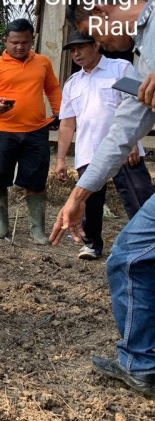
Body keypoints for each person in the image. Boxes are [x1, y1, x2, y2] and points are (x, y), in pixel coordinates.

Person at [50, 0, 155, 397]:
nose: (99, 44)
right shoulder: (140, 57)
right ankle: (140, 363)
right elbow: (123, 130)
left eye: (91, 34)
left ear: (101, 12)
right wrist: (79, 195)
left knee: (129, 256)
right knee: (130, 256)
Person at [54, 30, 154, 260]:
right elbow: (67, 124)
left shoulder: (120, 68)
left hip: (123, 149)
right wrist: (60, 159)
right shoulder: (72, 83)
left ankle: (149, 244)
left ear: (96, 45)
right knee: (89, 202)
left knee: (139, 197)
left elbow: (136, 107)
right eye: (72, 50)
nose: (76, 54)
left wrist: (132, 143)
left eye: (81, 47)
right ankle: (91, 245)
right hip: (88, 151)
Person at [0, 18, 62, 245]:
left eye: (25, 42)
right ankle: (0, 223)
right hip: (3, 132)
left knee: (36, 181)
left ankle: (38, 230)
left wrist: (58, 112)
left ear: (32, 40)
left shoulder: (43, 63)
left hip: (36, 131)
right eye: (15, 42)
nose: (20, 47)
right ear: (5, 41)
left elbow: (52, 88)